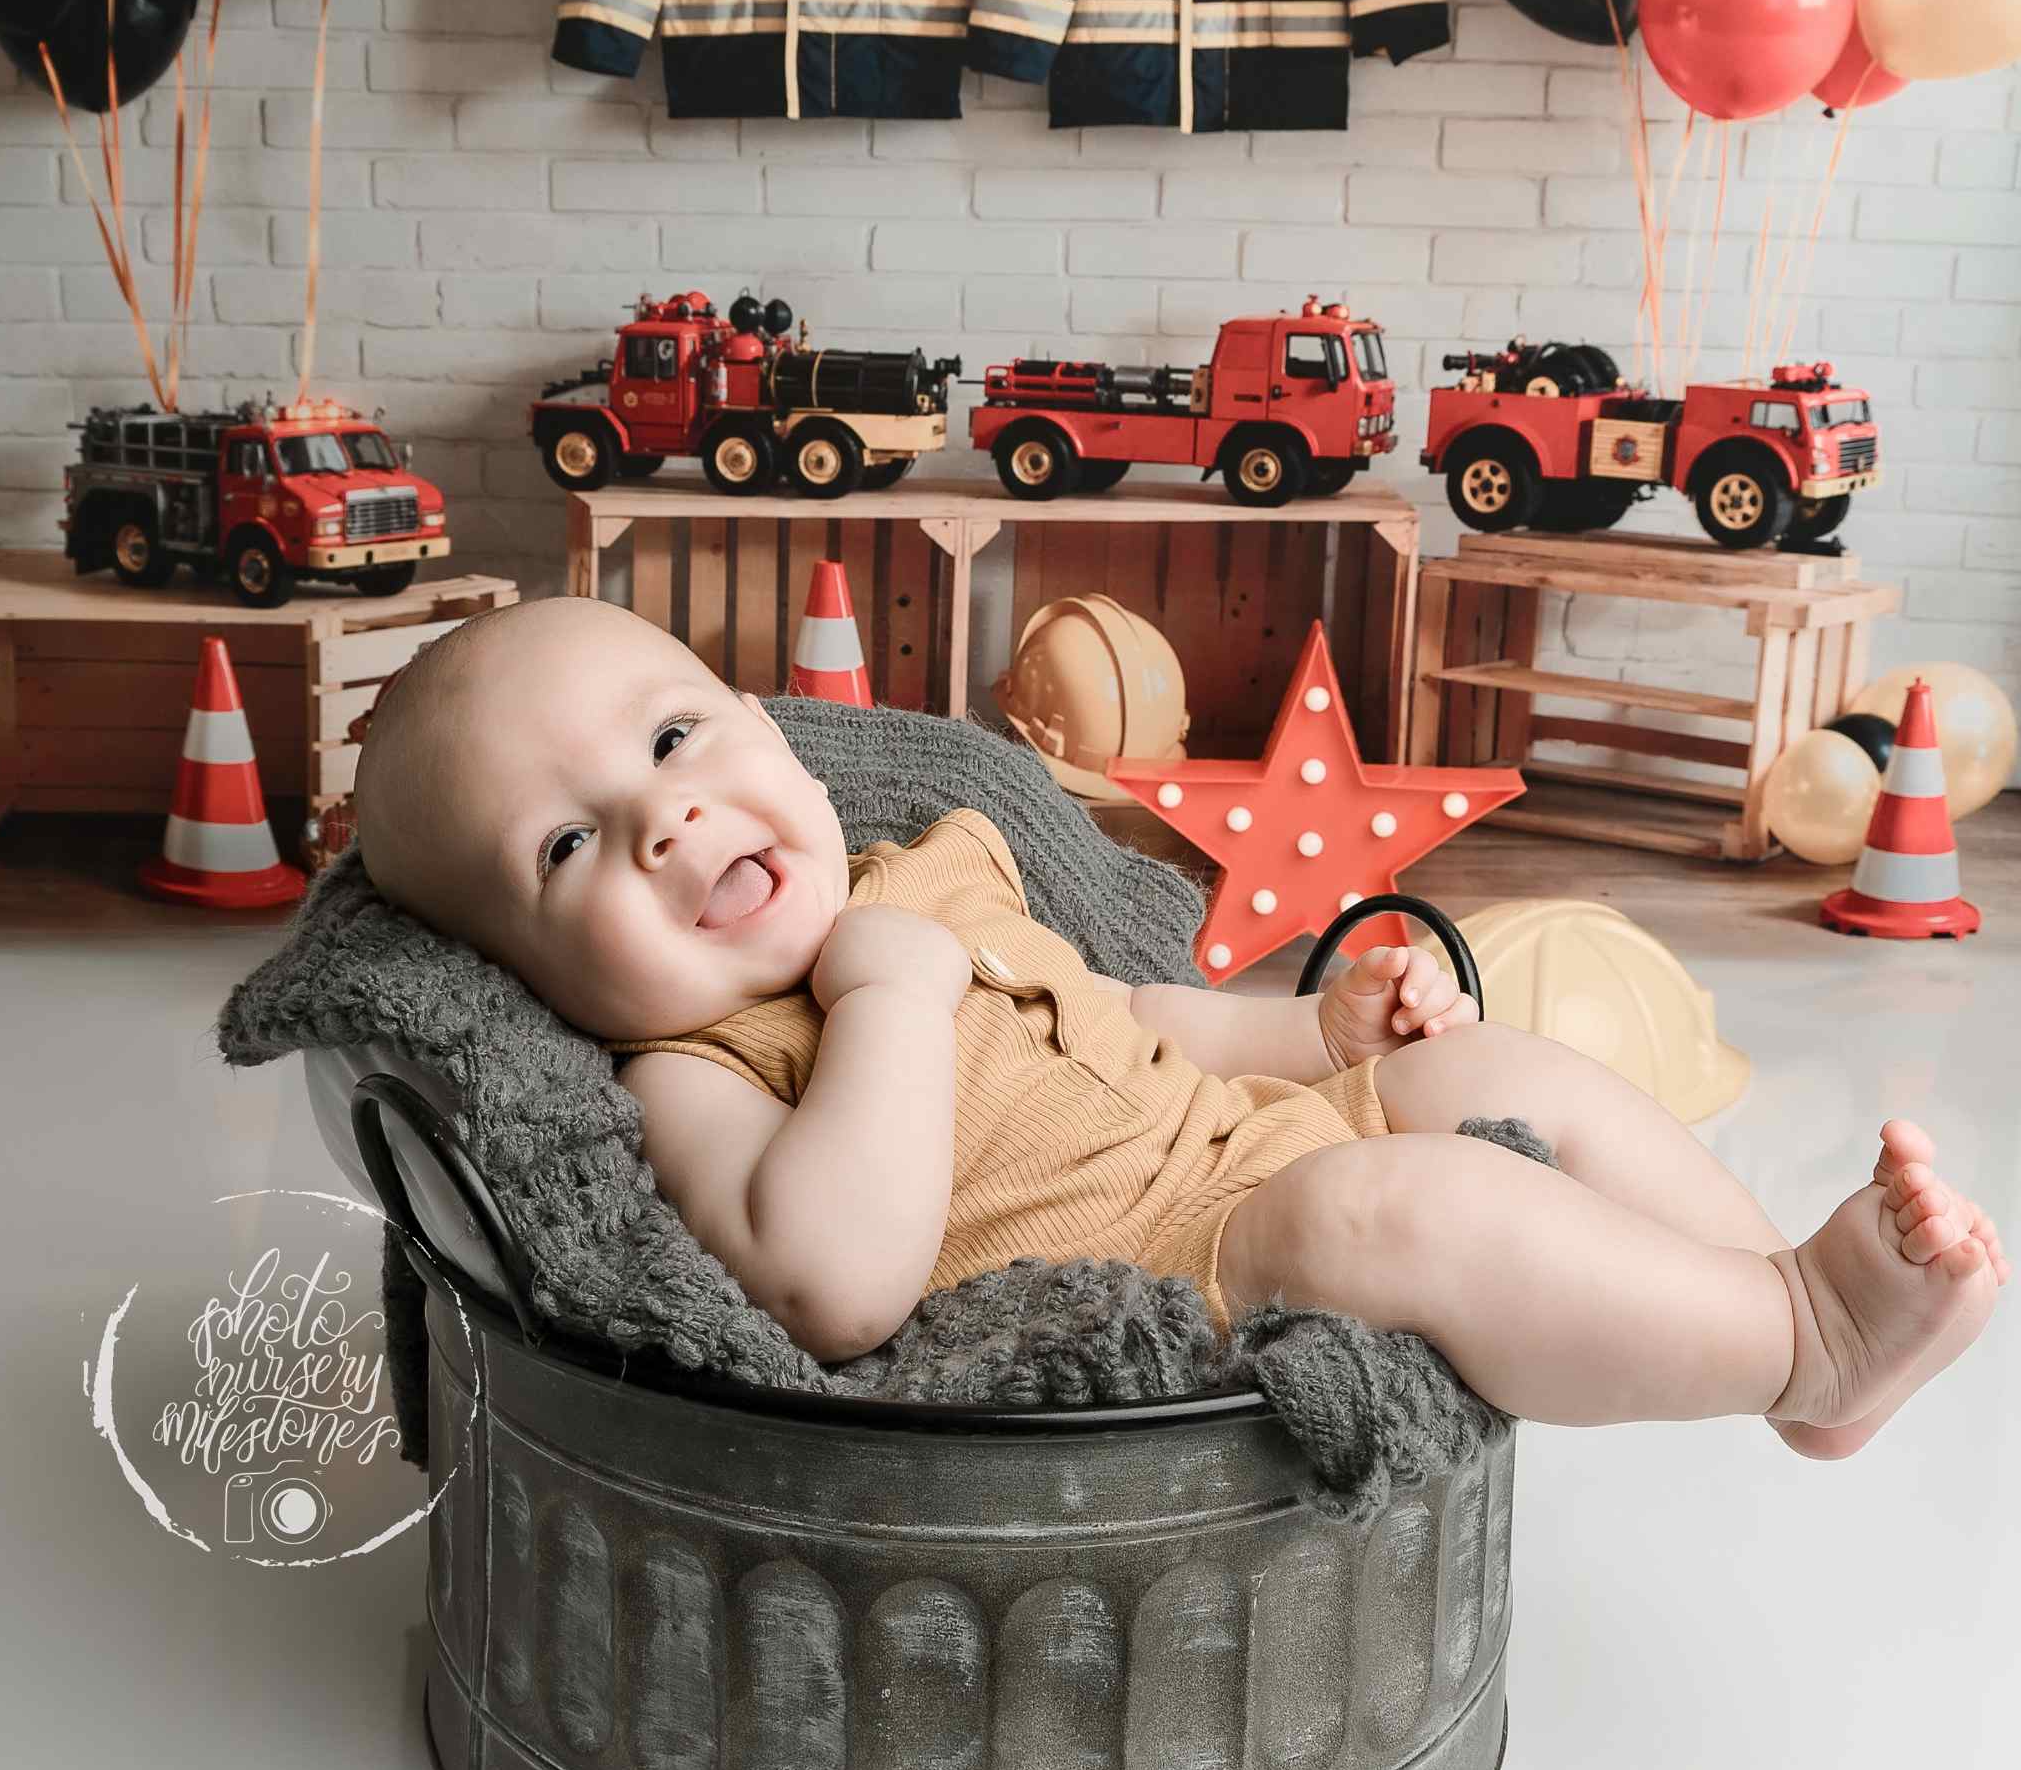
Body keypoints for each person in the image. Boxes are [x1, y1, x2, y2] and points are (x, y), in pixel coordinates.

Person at [352, 596, 2005, 1451]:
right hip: (1189, 1268)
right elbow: (833, 1286)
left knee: (1480, 1072)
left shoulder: (938, 859)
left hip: (1252, 1135)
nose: (662, 821)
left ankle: (1779, 1315)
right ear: (527, 974)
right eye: (565, 846)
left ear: (767, 728)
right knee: (1384, 1211)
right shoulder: (692, 1074)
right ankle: (1811, 1334)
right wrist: (886, 999)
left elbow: (1141, 1017)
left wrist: (1324, 1037)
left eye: (673, 734)